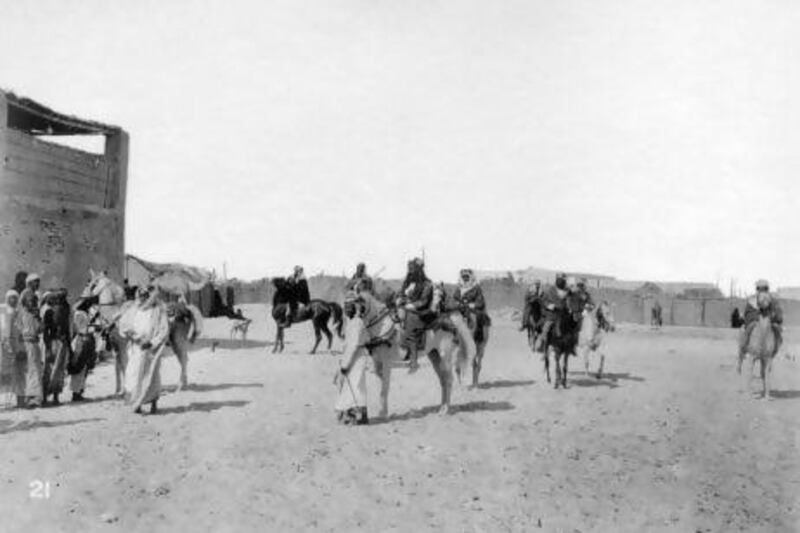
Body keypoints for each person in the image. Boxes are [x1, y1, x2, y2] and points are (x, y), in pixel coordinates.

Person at [121, 286, 170, 414]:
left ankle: (153, 403)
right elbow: (124, 324)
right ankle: (137, 404)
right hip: (136, 347)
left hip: (150, 350)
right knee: (133, 375)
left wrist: (151, 343)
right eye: (140, 296)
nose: (142, 299)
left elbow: (164, 330)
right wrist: (131, 335)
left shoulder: (158, 311)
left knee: (151, 376)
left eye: (144, 296)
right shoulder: (133, 309)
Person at [397, 258, 436, 373]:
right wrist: (400, 299)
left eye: (413, 271)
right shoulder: (408, 282)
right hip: (406, 308)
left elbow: (424, 301)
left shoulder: (427, 284)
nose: (411, 273)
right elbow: (401, 293)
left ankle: (414, 362)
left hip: (421, 311)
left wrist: (411, 305)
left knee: (412, 326)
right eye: (410, 271)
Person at [17, 273, 43, 408]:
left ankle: (34, 397)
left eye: (38, 282)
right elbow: (31, 309)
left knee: (34, 367)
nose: (38, 284)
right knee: (33, 367)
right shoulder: (28, 294)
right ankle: (32, 398)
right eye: (35, 282)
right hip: (29, 337)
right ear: (29, 283)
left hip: (31, 336)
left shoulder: (29, 295)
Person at [41, 289, 71, 405]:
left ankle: (55, 397)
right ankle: (45, 398)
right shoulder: (49, 311)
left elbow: (66, 328)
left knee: (58, 371)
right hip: (53, 342)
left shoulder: (62, 310)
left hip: (60, 343)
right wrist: (48, 347)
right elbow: (45, 331)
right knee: (49, 370)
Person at [740, 279, 783, 355]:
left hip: (769, 320)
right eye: (760, 288)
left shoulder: (772, 299)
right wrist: (755, 317)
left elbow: (777, 310)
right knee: (749, 328)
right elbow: (748, 311)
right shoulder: (752, 299)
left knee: (777, 330)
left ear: (767, 289)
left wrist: (774, 317)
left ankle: (775, 348)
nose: (762, 290)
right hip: (756, 320)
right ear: (758, 289)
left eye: (764, 288)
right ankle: (745, 345)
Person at [0, 290, 27, 408]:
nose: (13, 300)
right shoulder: (2, 311)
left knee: (20, 374)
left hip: (18, 348)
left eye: (15, 298)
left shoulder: (20, 313)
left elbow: (23, 331)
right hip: (3, 348)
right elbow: (5, 331)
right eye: (11, 298)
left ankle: (20, 400)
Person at [534, 273, 569, 353]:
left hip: (563, 314)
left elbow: (570, 300)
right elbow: (544, 300)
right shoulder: (550, 290)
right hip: (552, 314)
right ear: (557, 280)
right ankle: (542, 344)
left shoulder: (567, 290)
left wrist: (569, 307)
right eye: (560, 280)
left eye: (563, 280)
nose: (561, 281)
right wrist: (549, 305)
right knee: (546, 328)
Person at [453, 268, 491, 343]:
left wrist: (472, 305)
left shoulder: (476, 288)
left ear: (471, 277)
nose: (465, 279)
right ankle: (456, 336)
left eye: (467, 277)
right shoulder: (459, 288)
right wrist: (457, 303)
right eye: (463, 277)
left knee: (477, 317)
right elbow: (454, 298)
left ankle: (478, 338)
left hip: (473, 308)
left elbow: (480, 301)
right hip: (461, 308)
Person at [68, 309, 96, 402]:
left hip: (81, 341)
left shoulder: (77, 313)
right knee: (80, 367)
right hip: (81, 341)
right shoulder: (80, 314)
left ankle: (78, 391)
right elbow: (79, 328)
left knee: (82, 368)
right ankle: (76, 393)